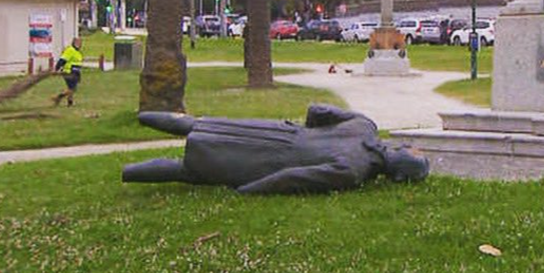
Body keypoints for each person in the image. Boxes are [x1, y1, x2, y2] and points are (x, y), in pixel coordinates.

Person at [122, 104, 430, 194]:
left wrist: (309, 132)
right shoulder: (353, 168)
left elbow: (317, 110)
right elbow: (293, 177)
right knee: (190, 166)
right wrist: (248, 188)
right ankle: (129, 165)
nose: (407, 147)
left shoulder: (364, 130)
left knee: (193, 135)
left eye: (410, 153)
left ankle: (131, 153)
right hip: (270, 152)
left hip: (277, 137)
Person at [51, 36, 84, 107]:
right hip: (69, 71)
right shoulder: (70, 50)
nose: (79, 44)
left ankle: (69, 102)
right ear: (73, 42)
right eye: (77, 42)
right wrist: (56, 69)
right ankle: (58, 97)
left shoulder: (77, 52)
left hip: (76, 72)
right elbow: (62, 60)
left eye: (80, 42)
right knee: (72, 88)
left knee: (72, 88)